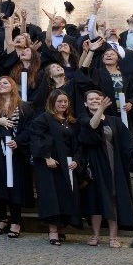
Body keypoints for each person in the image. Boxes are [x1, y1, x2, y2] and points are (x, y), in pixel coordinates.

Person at [79, 89, 133, 248]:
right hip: (95, 164)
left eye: (98, 98)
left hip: (114, 163)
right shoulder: (83, 119)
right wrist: (100, 110)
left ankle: (113, 237)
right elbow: (93, 126)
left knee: (113, 198)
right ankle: (95, 235)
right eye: (91, 99)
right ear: (85, 103)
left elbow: (129, 142)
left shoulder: (115, 121)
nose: (94, 101)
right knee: (95, 199)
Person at [28, 88, 82, 245]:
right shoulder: (43, 119)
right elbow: (37, 138)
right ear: (52, 102)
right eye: (59, 101)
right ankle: (53, 230)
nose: (63, 104)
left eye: (65, 101)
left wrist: (77, 160)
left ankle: (62, 228)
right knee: (52, 197)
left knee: (67, 196)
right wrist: (47, 157)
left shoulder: (71, 121)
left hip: (68, 164)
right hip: (50, 164)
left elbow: (78, 144)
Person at [0, 76, 33, 238]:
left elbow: (30, 127)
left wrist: (18, 142)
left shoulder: (23, 106)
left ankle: (16, 221)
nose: (2, 85)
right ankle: (2, 218)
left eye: (5, 83)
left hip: (16, 152)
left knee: (15, 186)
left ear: (12, 86)